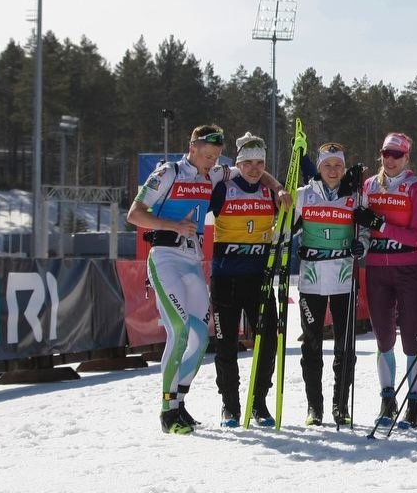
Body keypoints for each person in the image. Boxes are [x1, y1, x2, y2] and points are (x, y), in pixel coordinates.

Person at [128, 124, 284, 434]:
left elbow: (252, 171)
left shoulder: (213, 175)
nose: (212, 163)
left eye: (216, 157)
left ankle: (180, 403)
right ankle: (167, 411)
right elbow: (134, 213)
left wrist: (278, 188)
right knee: (179, 331)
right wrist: (172, 225)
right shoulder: (169, 172)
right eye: (208, 156)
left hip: (192, 261)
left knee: (200, 337)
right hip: (165, 256)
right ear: (193, 146)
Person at [358, 133, 417, 430]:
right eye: (386, 153)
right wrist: (361, 242)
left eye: (396, 155)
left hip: (408, 267)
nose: (390, 160)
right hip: (376, 268)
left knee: (412, 337)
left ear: (407, 157)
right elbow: (361, 224)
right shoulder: (369, 185)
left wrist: (383, 226)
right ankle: (387, 401)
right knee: (384, 337)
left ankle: (415, 403)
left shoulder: (416, 188)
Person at [206, 132, 278, 428]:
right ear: (238, 164)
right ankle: (230, 406)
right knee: (225, 345)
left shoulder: (269, 192)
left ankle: (258, 403)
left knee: (268, 343)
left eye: (260, 163)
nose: (254, 168)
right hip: (226, 280)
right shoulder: (223, 189)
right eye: (248, 163)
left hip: (259, 279)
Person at [293, 142, 366, 427]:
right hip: (311, 280)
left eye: (338, 165)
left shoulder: (355, 196)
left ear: (344, 168)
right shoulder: (304, 195)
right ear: (319, 168)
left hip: (344, 279)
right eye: (327, 165)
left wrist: (363, 246)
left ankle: (340, 405)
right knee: (311, 345)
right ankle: (315, 407)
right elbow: (283, 229)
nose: (333, 170)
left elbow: (366, 232)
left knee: (344, 346)